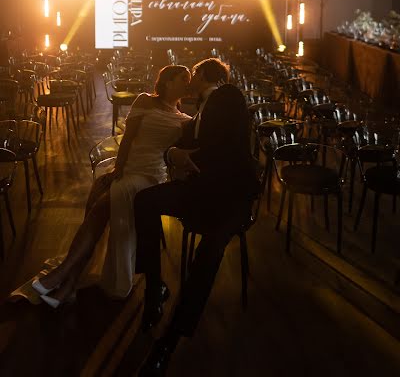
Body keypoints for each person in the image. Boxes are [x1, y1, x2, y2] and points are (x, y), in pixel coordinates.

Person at [26, 64, 192, 307]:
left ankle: (62, 277)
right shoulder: (145, 101)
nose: (187, 83)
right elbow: (127, 141)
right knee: (97, 210)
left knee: (99, 210)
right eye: (183, 79)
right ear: (167, 82)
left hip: (151, 176)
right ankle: (67, 283)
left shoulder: (185, 119)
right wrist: (119, 169)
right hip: (127, 167)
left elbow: (176, 155)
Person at [134, 58, 259, 376]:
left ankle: (169, 340)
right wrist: (170, 154)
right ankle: (154, 290)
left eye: (195, 73)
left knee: (211, 248)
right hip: (202, 191)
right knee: (145, 201)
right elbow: (180, 146)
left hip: (231, 197)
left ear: (205, 75)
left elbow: (225, 148)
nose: (190, 79)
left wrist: (184, 156)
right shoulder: (200, 110)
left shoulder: (228, 95)